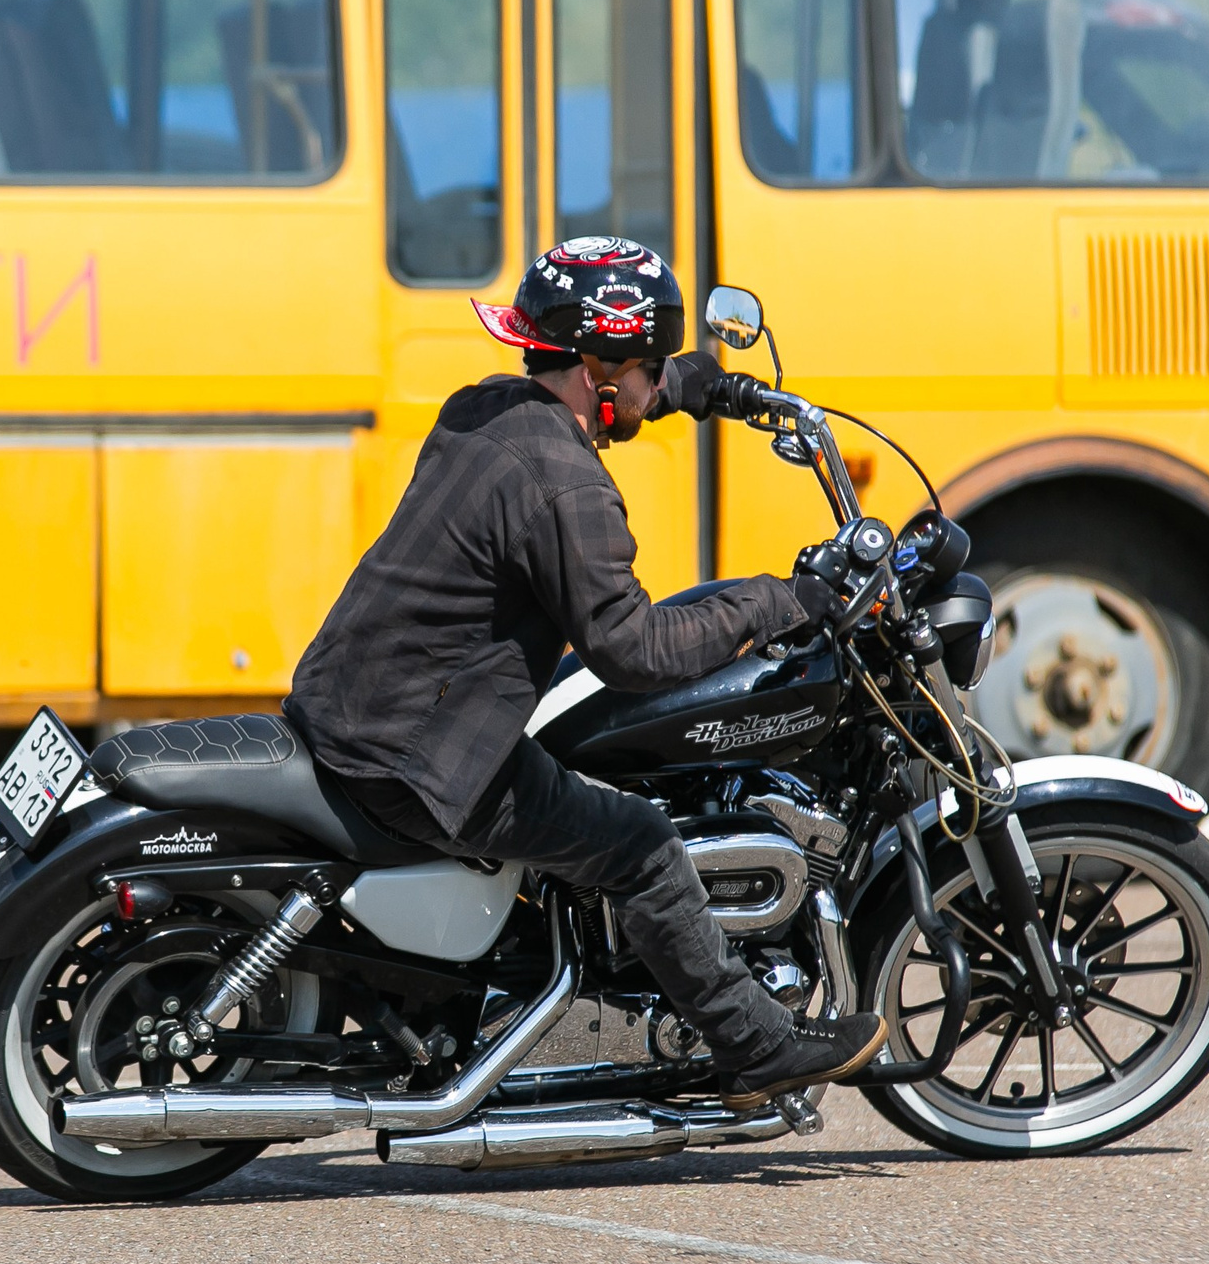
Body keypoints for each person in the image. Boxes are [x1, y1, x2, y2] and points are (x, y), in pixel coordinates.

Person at [284, 237, 886, 1114]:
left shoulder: (482, 408)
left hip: (358, 700)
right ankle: (755, 1046)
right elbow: (636, 651)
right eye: (646, 368)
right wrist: (780, 602)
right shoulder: (568, 488)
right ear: (602, 376)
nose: (653, 383)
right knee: (639, 840)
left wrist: (704, 386)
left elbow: (622, 391)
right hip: (419, 752)